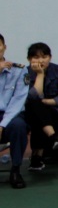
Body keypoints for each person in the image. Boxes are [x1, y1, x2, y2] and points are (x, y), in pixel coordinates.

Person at [24, 42, 58, 173]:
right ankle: (53, 137)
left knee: (38, 112)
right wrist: (39, 74)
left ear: (50, 57)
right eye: (36, 57)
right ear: (29, 59)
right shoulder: (24, 73)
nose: (41, 60)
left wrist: (45, 102)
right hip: (30, 110)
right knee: (35, 108)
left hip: (55, 109)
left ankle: (37, 157)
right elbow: (30, 97)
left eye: (44, 57)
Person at [1, 34, 30, 188]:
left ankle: (15, 170)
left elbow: (18, 100)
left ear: (4, 47)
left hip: (10, 115)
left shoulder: (19, 70)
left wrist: (2, 124)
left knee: (19, 126)